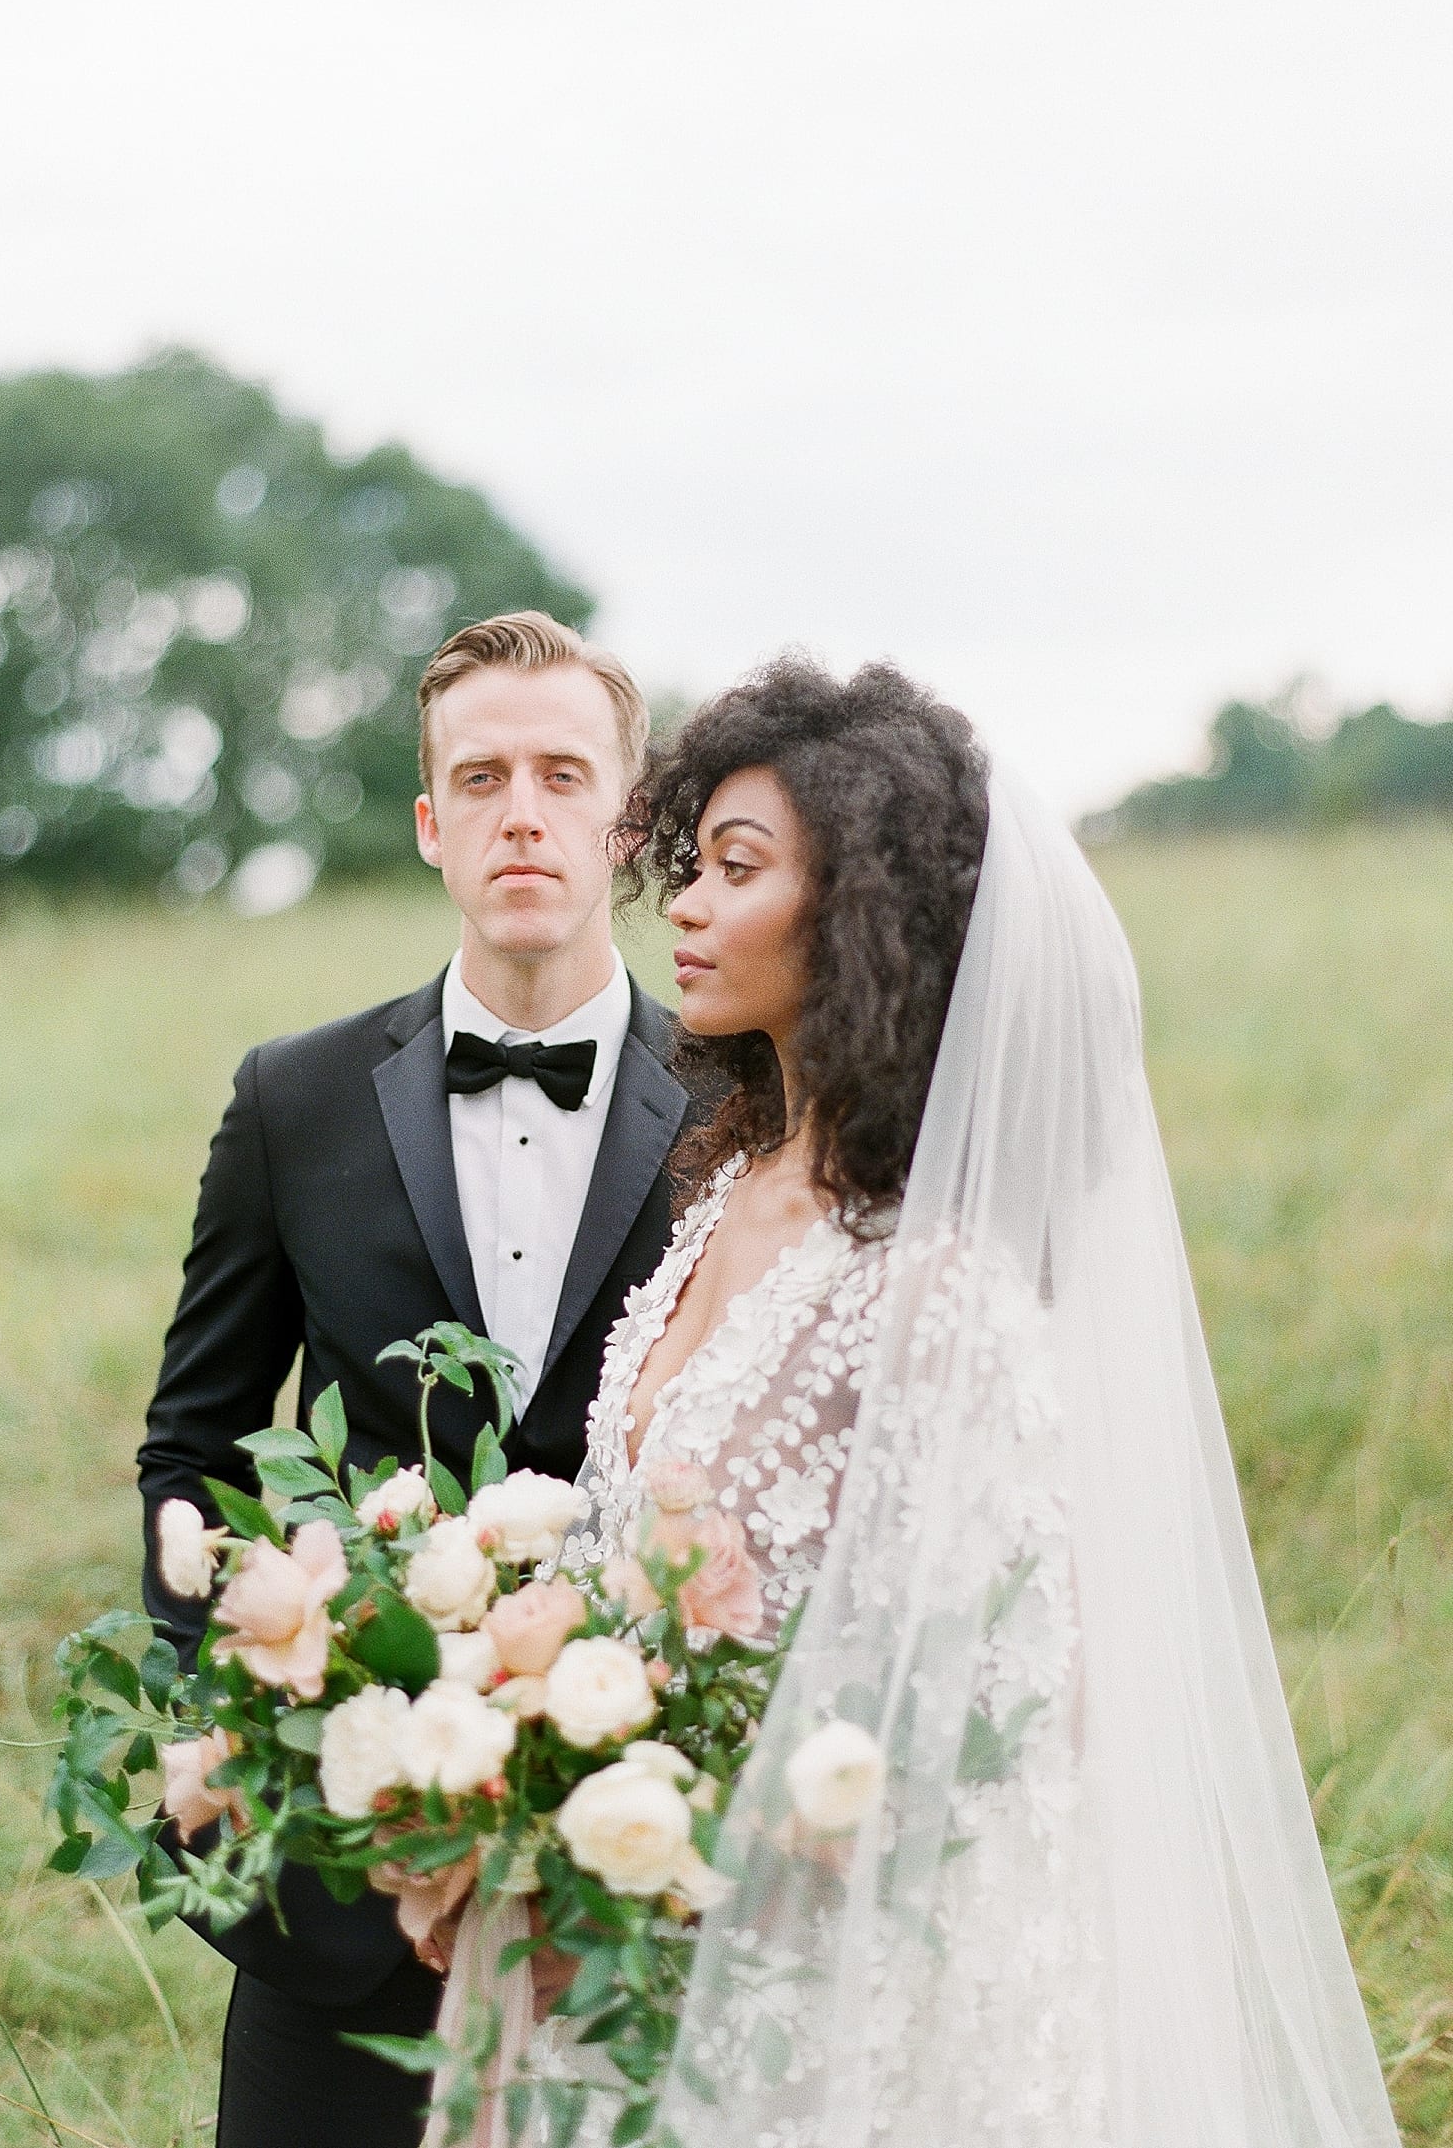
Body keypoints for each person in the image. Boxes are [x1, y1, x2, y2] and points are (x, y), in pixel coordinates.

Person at [530, 653, 1399, 2146]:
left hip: (834, 1972)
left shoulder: (936, 1282)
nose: (682, 903)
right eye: (690, 862)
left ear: (862, 914)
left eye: (738, 870)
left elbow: (1026, 1692)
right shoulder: (723, 1190)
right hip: (633, 1930)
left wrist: (747, 1853)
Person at [136, 611, 695, 2148]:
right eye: (485, 774)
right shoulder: (293, 1097)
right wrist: (234, 1739)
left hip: (648, 1865)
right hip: (344, 1863)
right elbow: (190, 1445)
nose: (527, 807)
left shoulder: (740, 1100)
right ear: (432, 823)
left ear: (630, 819)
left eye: (566, 772)